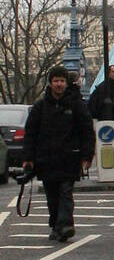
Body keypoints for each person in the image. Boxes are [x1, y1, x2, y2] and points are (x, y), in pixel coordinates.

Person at [22, 65, 95, 241]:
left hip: (69, 157)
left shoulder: (77, 105)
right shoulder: (40, 107)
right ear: (51, 83)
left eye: (62, 81)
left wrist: (87, 155)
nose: (59, 84)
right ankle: (56, 225)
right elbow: (30, 133)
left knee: (65, 192)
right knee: (52, 196)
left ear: (66, 83)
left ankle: (65, 225)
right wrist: (28, 158)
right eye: (56, 81)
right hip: (46, 159)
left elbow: (87, 131)